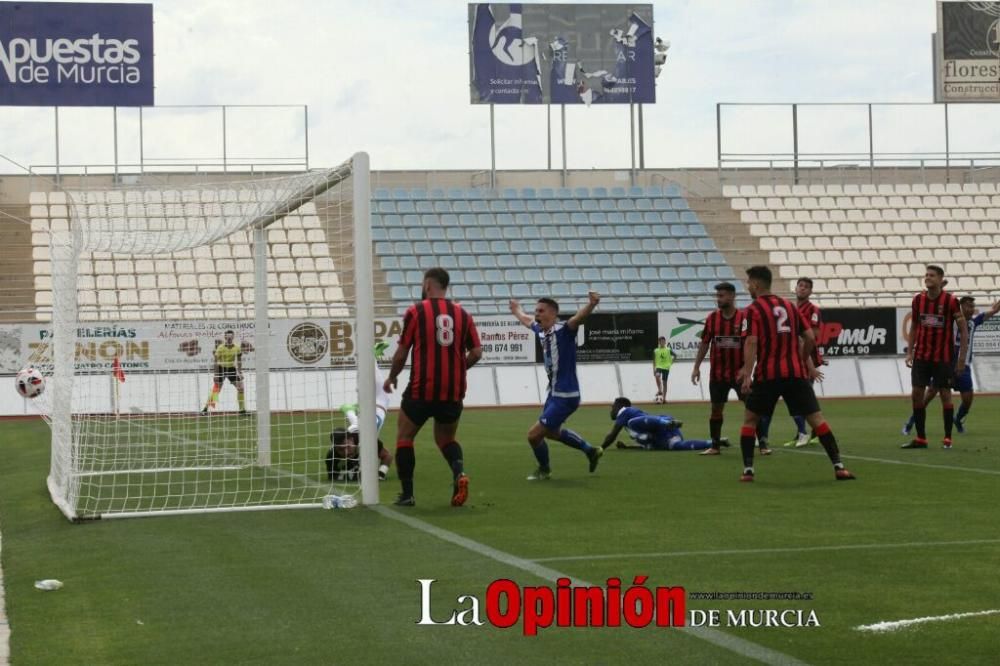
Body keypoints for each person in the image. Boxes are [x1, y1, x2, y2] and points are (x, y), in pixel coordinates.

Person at [738, 266, 855, 482]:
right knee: (817, 419)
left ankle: (748, 471)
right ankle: (839, 466)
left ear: (755, 284)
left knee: (750, 419)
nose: (748, 287)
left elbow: (751, 341)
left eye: (748, 283)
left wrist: (747, 374)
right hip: (795, 374)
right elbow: (810, 338)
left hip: (768, 375)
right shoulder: (790, 307)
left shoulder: (752, 310)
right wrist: (800, 361)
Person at [383, 268, 482, 506]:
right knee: (446, 439)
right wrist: (459, 370)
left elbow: (401, 353)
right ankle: (459, 473)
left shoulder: (416, 311)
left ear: (428, 284)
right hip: (452, 391)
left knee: (405, 437)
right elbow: (477, 352)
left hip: (421, 389)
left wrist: (391, 377)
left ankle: (407, 495)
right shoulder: (463, 314)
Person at [510, 292, 603, 480]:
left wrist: (592, 304)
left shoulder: (564, 329)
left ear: (553, 314)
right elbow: (527, 320)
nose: (537, 314)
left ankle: (544, 470)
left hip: (565, 395)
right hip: (554, 394)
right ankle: (590, 450)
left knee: (533, 436)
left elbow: (578, 318)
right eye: (536, 310)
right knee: (551, 433)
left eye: (541, 311)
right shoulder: (542, 330)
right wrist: (516, 310)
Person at [690, 281, 769, 456]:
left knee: (752, 406)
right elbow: (704, 343)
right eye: (717, 296)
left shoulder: (744, 318)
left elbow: (752, 344)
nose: (719, 299)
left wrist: (746, 369)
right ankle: (715, 446)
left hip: (739, 373)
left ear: (732, 296)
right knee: (716, 408)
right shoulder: (712, 318)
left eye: (722, 295)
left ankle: (763, 444)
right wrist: (696, 367)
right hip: (717, 374)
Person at [903, 295, 996, 437]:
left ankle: (957, 420)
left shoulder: (974, 322)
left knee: (968, 398)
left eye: (972, 306)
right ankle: (910, 422)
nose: (971, 309)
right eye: (968, 306)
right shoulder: (950, 320)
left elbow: (994, 310)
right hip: (945, 364)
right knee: (929, 395)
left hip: (963, 366)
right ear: (961, 307)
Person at [902, 265, 968, 450]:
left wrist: (961, 358)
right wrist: (909, 351)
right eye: (926, 275)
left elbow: (963, 330)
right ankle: (921, 438)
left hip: (943, 358)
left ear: (941, 279)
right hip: (922, 356)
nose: (927, 278)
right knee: (916, 394)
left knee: (945, 394)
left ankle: (948, 438)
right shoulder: (918, 300)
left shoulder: (951, 301)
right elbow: (914, 326)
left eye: (932, 275)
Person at [338, 342, 394, 480]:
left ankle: (371, 356)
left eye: (346, 446)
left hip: (369, 406)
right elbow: (388, 456)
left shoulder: (355, 430)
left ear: (349, 439)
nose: (346, 449)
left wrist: (350, 410)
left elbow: (355, 421)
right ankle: (372, 356)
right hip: (380, 402)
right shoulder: (369, 441)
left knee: (365, 379)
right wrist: (381, 474)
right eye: (343, 448)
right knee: (372, 378)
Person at [783, 277, 825, 448]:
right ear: (796, 288)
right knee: (797, 397)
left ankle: (809, 432)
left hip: (806, 358)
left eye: (806, 287)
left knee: (802, 397)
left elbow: (812, 336)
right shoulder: (790, 309)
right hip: (792, 357)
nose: (803, 289)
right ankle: (804, 432)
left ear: (810, 291)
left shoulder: (813, 310)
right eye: (800, 286)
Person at [600, 397, 713, 451]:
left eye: (612, 407)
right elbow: (645, 440)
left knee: (633, 423)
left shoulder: (625, 411)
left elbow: (612, 435)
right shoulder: (629, 423)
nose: (611, 410)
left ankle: (667, 423)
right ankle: (714, 442)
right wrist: (628, 447)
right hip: (662, 434)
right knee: (673, 446)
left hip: (662, 423)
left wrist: (600, 448)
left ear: (619, 406)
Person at [201, 329, 247, 415]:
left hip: (231, 369)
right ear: (225, 337)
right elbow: (215, 361)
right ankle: (205, 409)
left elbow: (239, 361)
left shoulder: (237, 348)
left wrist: (240, 372)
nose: (229, 338)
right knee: (216, 389)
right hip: (221, 368)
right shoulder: (220, 347)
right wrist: (215, 375)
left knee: (241, 387)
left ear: (233, 337)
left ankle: (242, 410)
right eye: (227, 336)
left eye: (231, 336)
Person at [653, 337, 675, 404]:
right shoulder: (656, 350)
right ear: (659, 342)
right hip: (659, 366)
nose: (662, 342)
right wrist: (653, 369)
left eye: (663, 341)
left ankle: (664, 399)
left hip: (666, 367)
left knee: (664, 383)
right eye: (660, 341)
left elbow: (675, 355)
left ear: (665, 342)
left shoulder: (668, 349)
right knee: (657, 376)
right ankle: (660, 390)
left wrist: (671, 362)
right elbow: (654, 360)